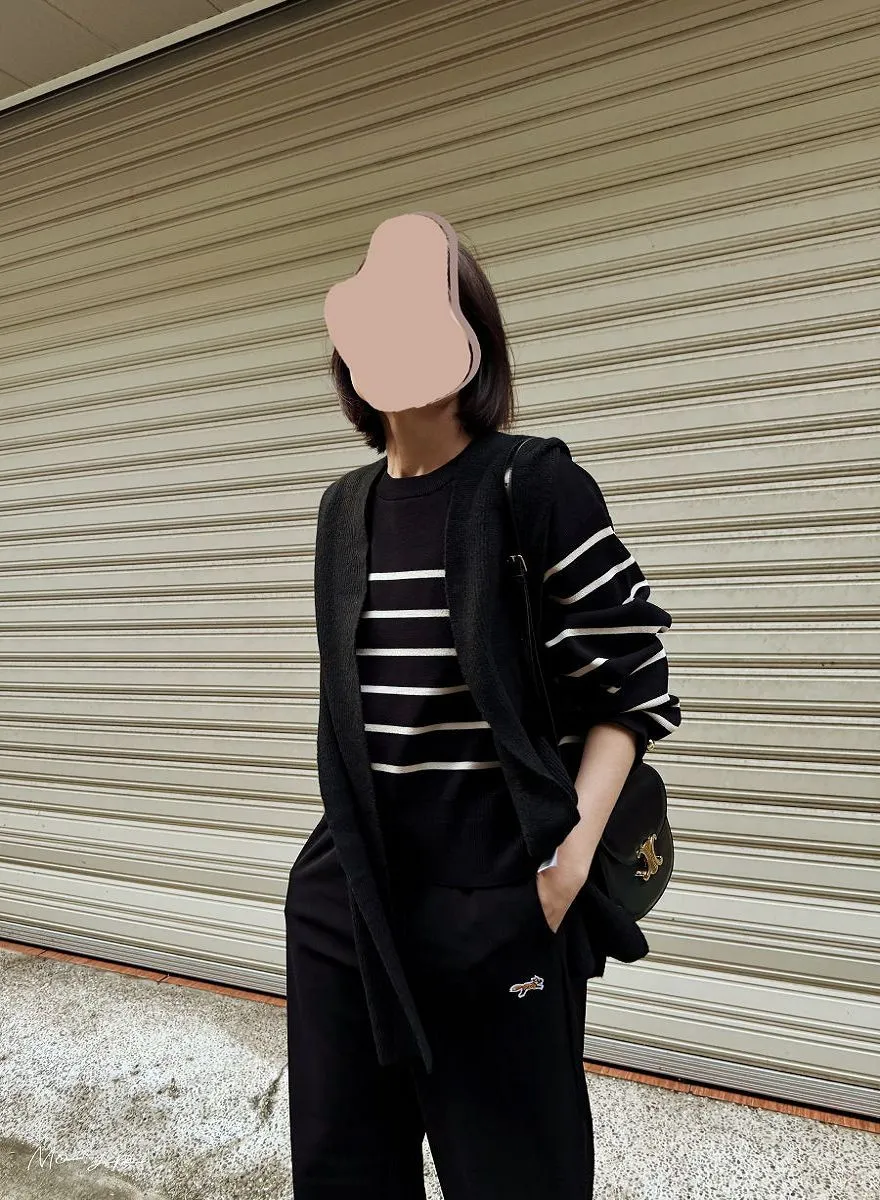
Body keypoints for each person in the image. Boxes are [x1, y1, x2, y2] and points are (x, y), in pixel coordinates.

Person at [285, 230, 682, 1199]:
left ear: (472, 342)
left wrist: (563, 870)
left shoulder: (533, 484)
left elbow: (632, 684)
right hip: (349, 903)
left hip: (498, 898)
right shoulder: (343, 508)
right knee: (343, 1176)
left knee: (516, 1177)